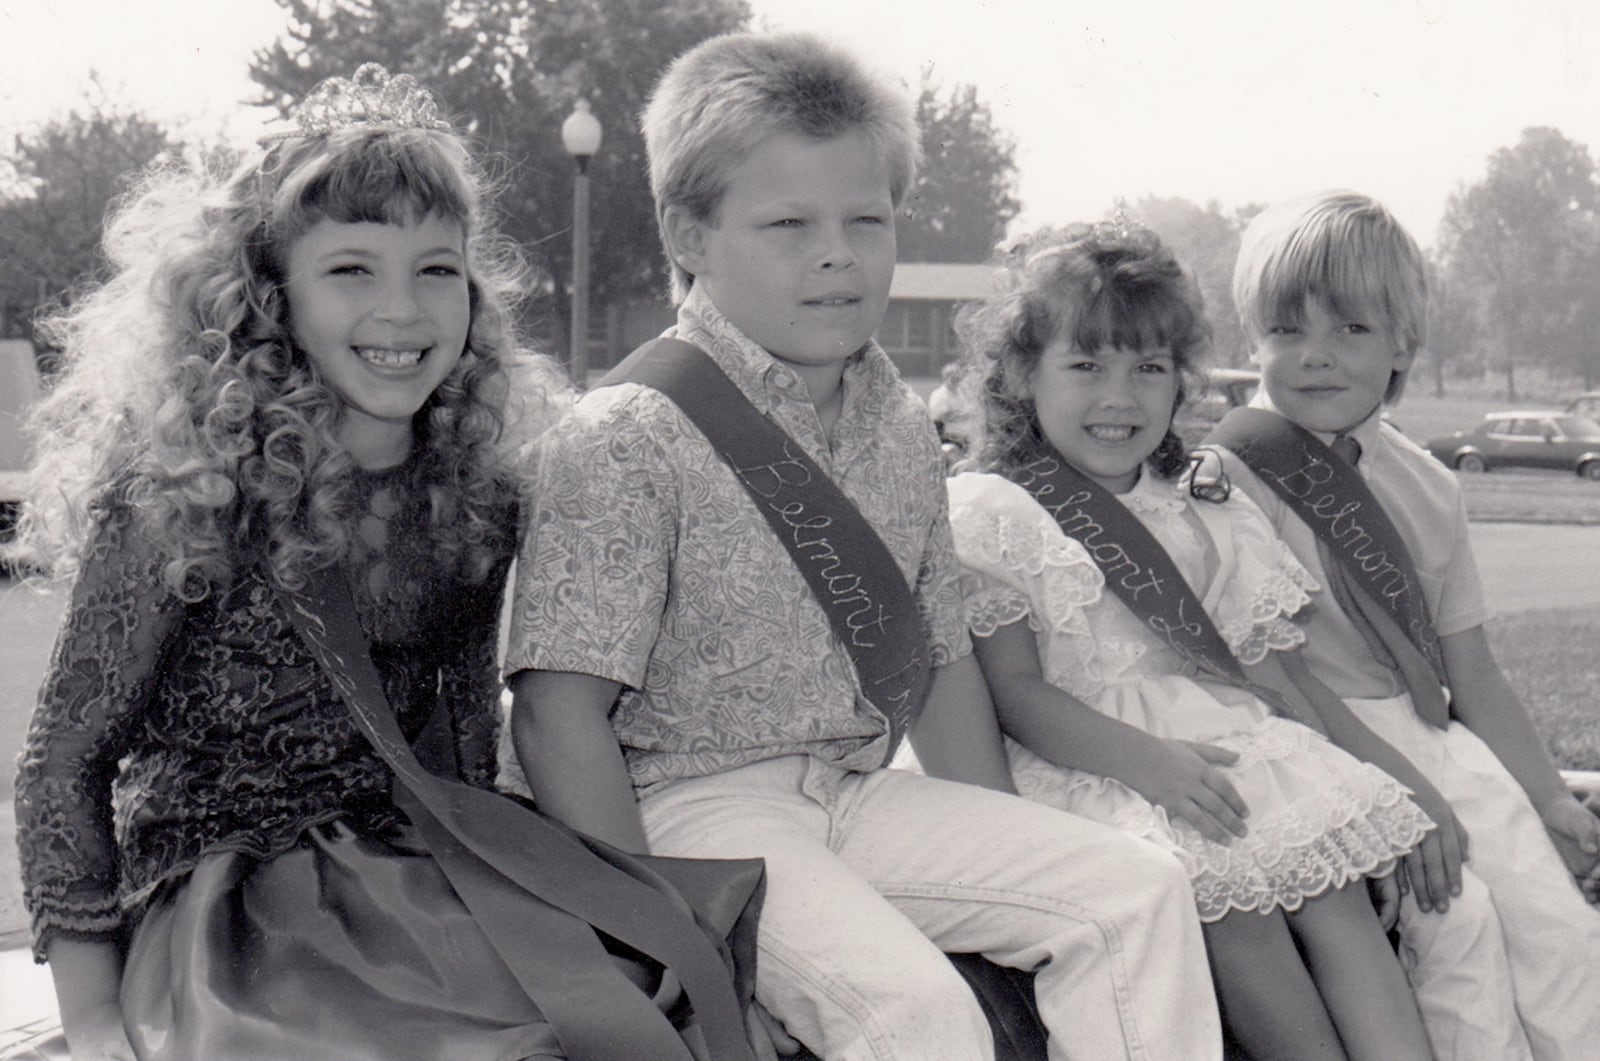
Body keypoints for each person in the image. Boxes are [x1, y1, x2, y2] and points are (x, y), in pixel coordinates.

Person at [9, 65, 759, 1061]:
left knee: (637, 1004)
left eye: (436, 268)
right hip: (230, 912)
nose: (401, 311)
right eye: (352, 270)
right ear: (266, 298)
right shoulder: (181, 494)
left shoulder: (476, 490)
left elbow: (453, 746)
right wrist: (97, 1017)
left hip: (415, 873)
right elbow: (61, 764)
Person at [505, 31, 1222, 1061]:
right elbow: (555, 713)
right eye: (788, 223)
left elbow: (936, 658)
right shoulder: (628, 431)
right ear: (688, 235)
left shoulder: (895, 421)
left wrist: (1004, 854)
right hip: (687, 811)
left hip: (850, 792)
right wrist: (657, 927)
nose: (836, 252)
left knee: (1135, 890)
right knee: (917, 1016)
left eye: (865, 219)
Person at [942, 218, 1437, 1061]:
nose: (1120, 397)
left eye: (1149, 367)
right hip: (1094, 759)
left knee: (1337, 896)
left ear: (1181, 381)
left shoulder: (1202, 504)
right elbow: (1018, 693)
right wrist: (1148, 763)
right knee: (1233, 904)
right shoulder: (994, 511)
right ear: (1024, 374)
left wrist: (1360, 799)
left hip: (1219, 744)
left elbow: (1268, 677)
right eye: (1086, 365)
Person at [1206, 188, 1600, 1061]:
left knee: (1561, 929)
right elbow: (1265, 682)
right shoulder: (1227, 479)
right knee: (1458, 929)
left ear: (1401, 347)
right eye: (1286, 329)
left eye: (1349, 329)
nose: (1314, 357)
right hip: (1315, 743)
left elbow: (1476, 672)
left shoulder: (1432, 486)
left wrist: (1545, 796)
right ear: (1252, 340)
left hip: (1433, 737)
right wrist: (1387, 796)